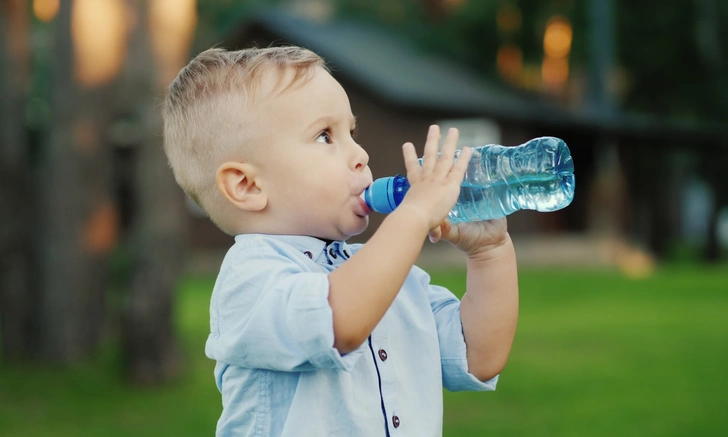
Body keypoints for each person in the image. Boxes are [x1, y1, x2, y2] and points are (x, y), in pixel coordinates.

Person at [162, 46, 519, 437]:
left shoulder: (387, 275)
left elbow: (479, 355)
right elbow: (341, 321)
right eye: (324, 136)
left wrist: (490, 252)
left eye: (352, 132)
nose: (361, 155)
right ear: (247, 186)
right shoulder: (250, 282)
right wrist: (413, 215)